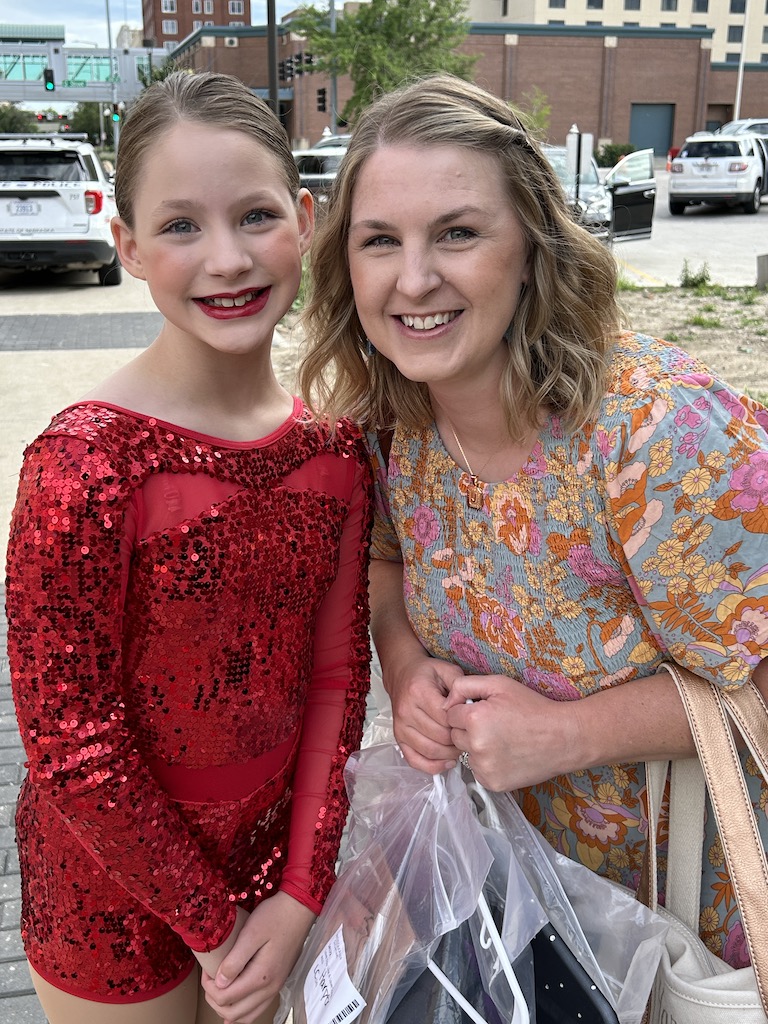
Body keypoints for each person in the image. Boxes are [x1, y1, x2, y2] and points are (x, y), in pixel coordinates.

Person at [298, 72, 768, 966]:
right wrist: (404, 669)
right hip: (525, 909)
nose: (414, 277)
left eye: (459, 233)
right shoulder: (396, 426)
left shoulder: (661, 433)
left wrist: (569, 735)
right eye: (379, 241)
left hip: (699, 918)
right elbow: (386, 562)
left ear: (533, 245)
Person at [5, 70, 372, 1024]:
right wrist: (211, 926)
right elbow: (71, 743)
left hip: (273, 871)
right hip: (109, 897)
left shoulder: (333, 452)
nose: (226, 259)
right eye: (179, 227)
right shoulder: (84, 464)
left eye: (255, 216)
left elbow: (337, 678)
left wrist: (297, 892)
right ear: (125, 244)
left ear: (303, 219)